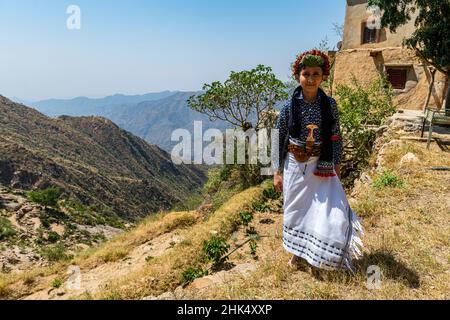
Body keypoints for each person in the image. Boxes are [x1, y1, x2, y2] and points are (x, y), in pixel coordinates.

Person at [272, 49, 363, 271]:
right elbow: (277, 137)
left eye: (315, 74)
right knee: (295, 208)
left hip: (322, 165)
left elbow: (335, 135)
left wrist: (337, 164)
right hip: (295, 164)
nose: (311, 79)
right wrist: (277, 170)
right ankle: (296, 252)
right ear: (298, 77)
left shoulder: (329, 105)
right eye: (306, 74)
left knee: (327, 208)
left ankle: (322, 252)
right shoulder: (290, 107)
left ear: (323, 77)